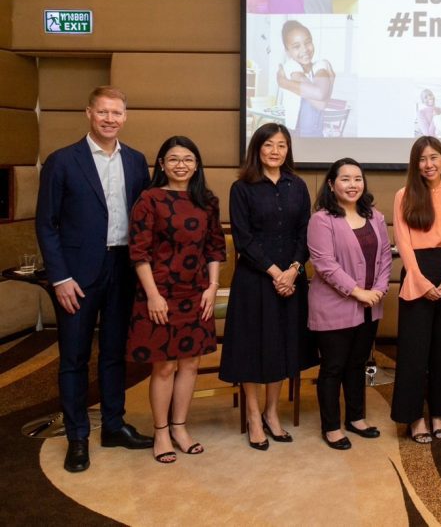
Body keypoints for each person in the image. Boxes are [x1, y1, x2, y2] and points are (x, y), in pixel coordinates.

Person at [36, 86, 154, 473]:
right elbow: (46, 224)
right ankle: (77, 437)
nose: (109, 119)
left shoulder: (136, 161)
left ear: (125, 117)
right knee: (74, 358)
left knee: (115, 354)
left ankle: (114, 426)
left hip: (123, 269)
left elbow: (144, 219)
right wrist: (60, 278)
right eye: (103, 112)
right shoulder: (62, 161)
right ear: (89, 113)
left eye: (116, 113)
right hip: (77, 276)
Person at [126, 136, 226, 464]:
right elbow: (138, 252)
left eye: (187, 159)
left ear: (196, 165)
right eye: (173, 159)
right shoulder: (149, 199)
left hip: (196, 292)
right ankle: (161, 432)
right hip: (159, 294)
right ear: (162, 164)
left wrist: (212, 287)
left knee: (191, 363)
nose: (180, 165)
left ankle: (180, 427)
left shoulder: (207, 200)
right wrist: (152, 295)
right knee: (165, 366)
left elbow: (215, 247)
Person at [219, 123, 316, 450]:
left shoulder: (297, 185)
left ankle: (272, 413)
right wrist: (277, 274)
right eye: (269, 145)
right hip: (255, 280)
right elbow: (243, 240)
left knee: (282, 346)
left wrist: (293, 270)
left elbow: (304, 233)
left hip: (291, 278)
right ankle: (253, 416)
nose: (275, 151)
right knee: (252, 347)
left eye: (282, 145)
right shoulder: (242, 187)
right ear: (257, 148)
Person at [307, 158, 391, 450]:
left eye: (357, 179)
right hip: (334, 305)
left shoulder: (375, 217)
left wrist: (378, 290)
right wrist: (358, 292)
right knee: (333, 367)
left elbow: (385, 258)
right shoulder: (321, 220)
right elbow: (324, 264)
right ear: (331, 184)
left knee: (357, 364)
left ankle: (356, 418)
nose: (353, 184)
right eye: (345, 179)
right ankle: (331, 427)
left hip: (370, 305)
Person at [391, 137, 441, 443]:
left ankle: (439, 413)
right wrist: (420, 280)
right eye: (422, 159)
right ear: (415, 164)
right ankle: (414, 417)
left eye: (434, 157)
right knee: (414, 351)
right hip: (416, 273)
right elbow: (402, 241)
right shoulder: (404, 195)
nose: (429, 164)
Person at [276, 20, 336, 138]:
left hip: (315, 132)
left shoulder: (321, 65)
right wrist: (329, 85)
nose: (304, 49)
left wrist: (283, 82)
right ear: (287, 51)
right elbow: (321, 101)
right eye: (296, 46)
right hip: (295, 132)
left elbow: (320, 100)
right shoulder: (291, 66)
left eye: (308, 42)